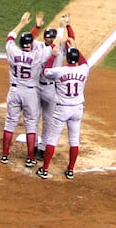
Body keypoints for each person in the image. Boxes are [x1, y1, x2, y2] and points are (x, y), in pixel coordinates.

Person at [36, 38, 90, 179]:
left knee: (52, 139)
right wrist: (75, 47)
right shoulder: (84, 69)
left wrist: (53, 55)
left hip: (62, 109)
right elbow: (84, 61)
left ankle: (45, 169)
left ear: (66, 59)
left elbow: (45, 71)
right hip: (77, 109)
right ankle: (70, 170)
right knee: (74, 140)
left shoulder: (59, 71)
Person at [1, 11, 45, 167]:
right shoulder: (37, 55)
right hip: (30, 93)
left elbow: (10, 37)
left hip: (14, 91)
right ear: (31, 45)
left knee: (10, 122)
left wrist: (22, 23)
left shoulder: (13, 51)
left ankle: (5, 155)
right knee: (31, 124)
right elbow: (52, 46)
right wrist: (40, 27)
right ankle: (31, 158)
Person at [35, 14, 75, 141]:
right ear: (44, 38)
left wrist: (68, 26)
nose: (51, 39)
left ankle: (42, 147)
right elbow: (28, 40)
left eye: (52, 37)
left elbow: (71, 39)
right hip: (37, 86)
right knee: (33, 119)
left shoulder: (61, 47)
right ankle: (34, 145)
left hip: (51, 88)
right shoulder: (39, 46)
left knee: (48, 119)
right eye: (48, 37)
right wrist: (37, 27)